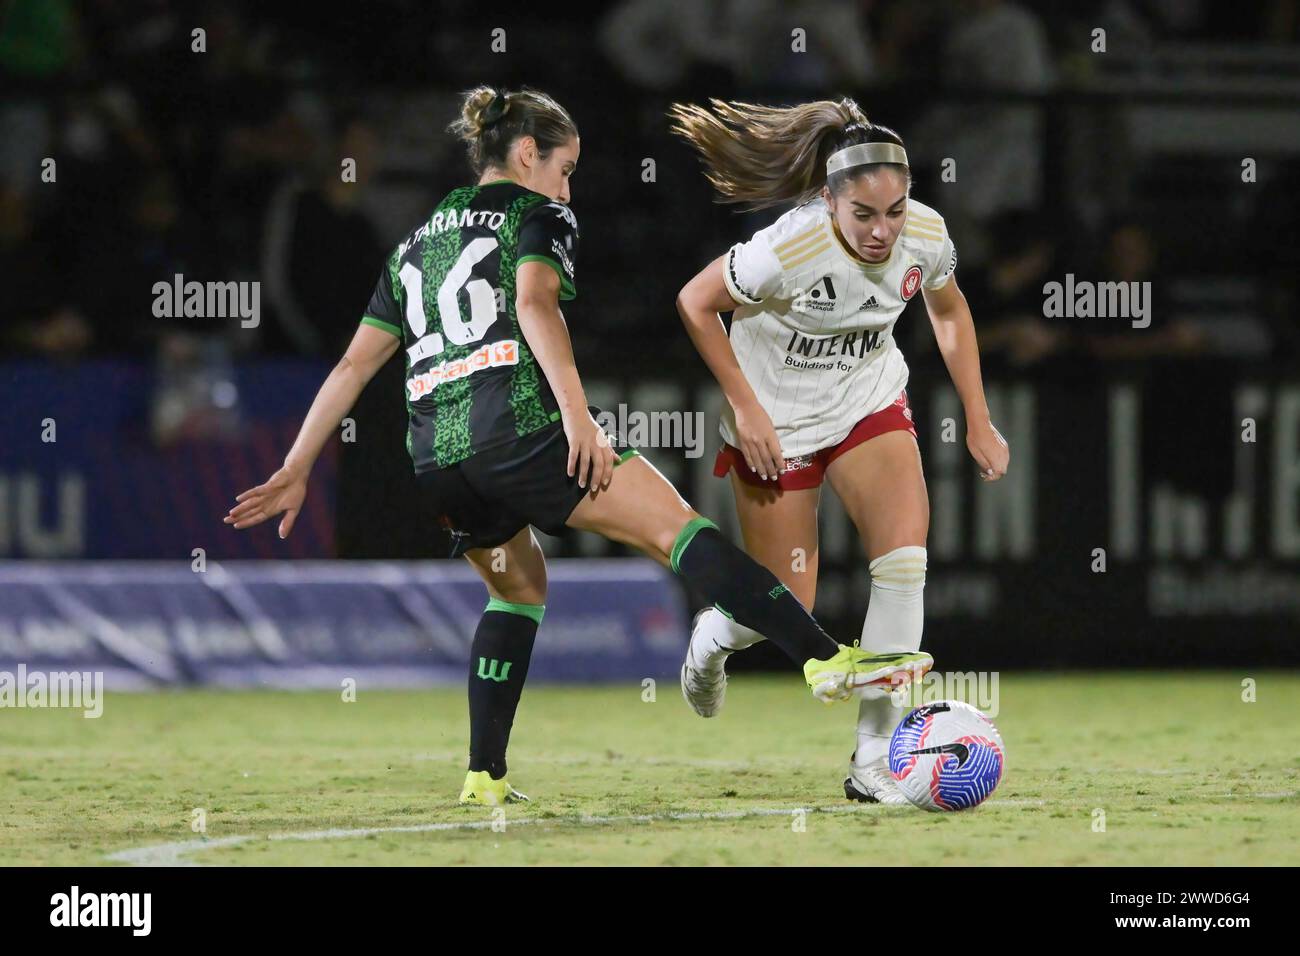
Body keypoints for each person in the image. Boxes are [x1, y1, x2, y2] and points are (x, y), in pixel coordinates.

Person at [225, 86, 933, 806]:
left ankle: (484, 774)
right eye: (565, 168)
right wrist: (577, 419)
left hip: (437, 456)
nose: (569, 186)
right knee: (680, 530)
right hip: (522, 427)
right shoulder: (539, 211)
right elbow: (533, 301)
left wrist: (296, 465)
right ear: (528, 155)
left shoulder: (414, 243)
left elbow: (353, 364)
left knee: (518, 588)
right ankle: (823, 659)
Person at [669, 96, 1009, 804]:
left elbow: (949, 312)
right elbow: (695, 302)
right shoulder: (785, 251)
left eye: (895, 210)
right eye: (865, 214)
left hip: (866, 404)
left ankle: (874, 760)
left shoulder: (925, 234)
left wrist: (979, 418)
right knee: (789, 599)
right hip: (778, 426)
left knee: (904, 558)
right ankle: (714, 637)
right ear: (829, 201)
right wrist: (745, 406)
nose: (884, 230)